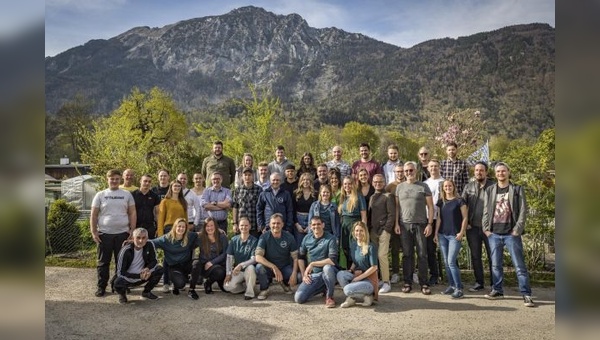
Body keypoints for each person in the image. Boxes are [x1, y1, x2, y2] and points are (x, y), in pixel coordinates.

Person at [482, 162, 535, 307]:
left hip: (511, 234)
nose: (500, 174)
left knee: (519, 266)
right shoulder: (490, 190)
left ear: (508, 172)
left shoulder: (517, 189)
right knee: (495, 265)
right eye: (498, 171)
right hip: (494, 234)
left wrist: (517, 229)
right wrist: (486, 229)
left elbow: (523, 210)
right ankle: (497, 290)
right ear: (495, 173)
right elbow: (486, 211)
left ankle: (526, 294)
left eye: (503, 171)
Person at [90, 169, 136, 297]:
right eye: (112, 179)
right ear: (107, 179)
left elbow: (132, 213)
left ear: (120, 179)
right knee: (103, 262)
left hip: (123, 234)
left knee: (121, 262)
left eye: (117, 179)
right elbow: (93, 215)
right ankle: (101, 287)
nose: (114, 181)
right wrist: (94, 231)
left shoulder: (127, 195)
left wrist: (132, 230)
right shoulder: (100, 195)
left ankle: (119, 285)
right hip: (104, 234)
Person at [395, 161, 434, 295]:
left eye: (411, 170)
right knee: (407, 255)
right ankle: (407, 282)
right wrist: (396, 224)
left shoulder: (423, 186)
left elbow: (430, 207)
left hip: (421, 224)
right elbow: (397, 208)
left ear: (415, 171)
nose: (408, 173)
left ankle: (424, 283)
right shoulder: (399, 187)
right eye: (406, 171)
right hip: (404, 225)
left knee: (422, 254)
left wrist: (429, 224)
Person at [461, 161, 494, 292]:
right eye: (476, 170)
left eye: (481, 170)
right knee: (476, 256)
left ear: (486, 172)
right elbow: (463, 205)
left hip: (490, 228)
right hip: (473, 228)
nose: (478, 172)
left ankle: (494, 284)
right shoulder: (468, 187)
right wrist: (466, 222)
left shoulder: (493, 186)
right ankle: (479, 282)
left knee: (493, 257)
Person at [151, 218, 202, 300]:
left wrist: (218, 230)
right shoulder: (166, 239)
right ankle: (176, 284)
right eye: (179, 226)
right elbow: (151, 242)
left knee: (197, 263)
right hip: (174, 266)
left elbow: (200, 233)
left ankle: (192, 290)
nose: (181, 228)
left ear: (186, 229)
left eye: (183, 227)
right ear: (175, 227)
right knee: (181, 284)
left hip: (186, 264)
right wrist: (134, 240)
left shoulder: (189, 236)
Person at [294, 217, 339, 308]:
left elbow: (332, 260)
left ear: (323, 225)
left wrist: (312, 264)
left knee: (327, 268)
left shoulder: (330, 238)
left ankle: (329, 296)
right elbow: (301, 257)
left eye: (318, 224)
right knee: (299, 298)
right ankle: (323, 287)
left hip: (329, 271)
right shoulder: (307, 238)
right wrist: (304, 275)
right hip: (315, 274)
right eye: (313, 225)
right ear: (310, 226)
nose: (316, 226)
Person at [434, 180, 468, 299]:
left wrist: (462, 232)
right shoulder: (440, 202)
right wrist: (436, 233)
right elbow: (439, 219)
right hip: (443, 234)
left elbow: (465, 218)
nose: (448, 187)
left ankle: (459, 288)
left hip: (455, 235)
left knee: (451, 262)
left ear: (453, 187)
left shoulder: (460, 201)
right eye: (445, 186)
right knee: (446, 263)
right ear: (443, 188)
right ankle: (452, 286)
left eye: (450, 185)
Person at [255, 214, 299, 300]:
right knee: (259, 267)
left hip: (283, 268)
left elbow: (295, 258)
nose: (276, 225)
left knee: (295, 275)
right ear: (270, 224)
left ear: (282, 224)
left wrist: (294, 273)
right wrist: (273, 266)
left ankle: (284, 284)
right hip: (268, 268)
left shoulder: (289, 237)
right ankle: (264, 289)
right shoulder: (264, 237)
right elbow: (258, 257)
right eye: (273, 223)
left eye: (278, 223)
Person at [113, 228, 163, 304]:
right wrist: (139, 276)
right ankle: (122, 295)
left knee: (159, 269)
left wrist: (147, 269)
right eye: (138, 238)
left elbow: (154, 261)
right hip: (129, 278)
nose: (141, 241)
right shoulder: (125, 250)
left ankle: (146, 292)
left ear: (147, 238)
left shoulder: (150, 244)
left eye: (143, 238)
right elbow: (120, 272)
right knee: (117, 282)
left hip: (144, 275)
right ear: (133, 238)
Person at [336, 221, 379, 308]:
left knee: (347, 289)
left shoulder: (371, 246)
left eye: (361, 230)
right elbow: (355, 262)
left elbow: (374, 267)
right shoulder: (353, 244)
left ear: (365, 232)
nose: (358, 233)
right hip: (357, 275)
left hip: (369, 280)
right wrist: (350, 270)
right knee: (340, 274)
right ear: (353, 232)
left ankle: (368, 296)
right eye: (356, 231)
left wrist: (358, 278)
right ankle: (354, 298)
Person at [156, 180, 188, 293]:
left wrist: (186, 232)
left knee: (180, 256)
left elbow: (186, 219)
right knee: (167, 258)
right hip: (168, 230)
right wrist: (160, 235)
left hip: (181, 230)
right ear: (171, 187)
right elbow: (160, 218)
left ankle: (177, 282)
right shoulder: (165, 201)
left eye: (179, 186)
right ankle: (165, 283)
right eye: (175, 186)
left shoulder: (183, 202)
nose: (177, 187)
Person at [368, 174, 396, 294]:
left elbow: (392, 214)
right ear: (372, 183)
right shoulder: (372, 197)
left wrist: (387, 229)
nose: (377, 183)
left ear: (384, 183)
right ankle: (377, 279)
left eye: (380, 182)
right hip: (373, 231)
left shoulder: (388, 196)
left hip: (384, 230)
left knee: (382, 255)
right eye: (375, 181)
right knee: (374, 256)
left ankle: (386, 282)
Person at [224, 217, 258, 300]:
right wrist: (228, 273)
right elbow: (229, 257)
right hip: (237, 271)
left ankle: (249, 293)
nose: (244, 227)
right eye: (242, 225)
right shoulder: (234, 240)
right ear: (238, 227)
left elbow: (254, 259)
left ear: (250, 226)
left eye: (246, 225)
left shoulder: (254, 240)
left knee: (250, 268)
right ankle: (243, 288)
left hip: (248, 270)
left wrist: (241, 265)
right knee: (227, 287)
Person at [338, 176, 367, 269]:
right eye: (345, 184)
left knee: (355, 248)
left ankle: (357, 270)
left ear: (353, 185)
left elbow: (363, 214)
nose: (347, 186)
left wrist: (364, 229)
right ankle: (348, 269)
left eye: (349, 183)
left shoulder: (359, 196)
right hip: (344, 226)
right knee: (345, 248)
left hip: (355, 225)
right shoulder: (342, 197)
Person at [424, 159, 444, 285]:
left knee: (445, 247)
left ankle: (450, 275)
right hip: (428, 217)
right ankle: (434, 274)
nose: (433, 168)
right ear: (428, 168)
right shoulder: (425, 183)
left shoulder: (444, 182)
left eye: (436, 166)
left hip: (443, 217)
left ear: (439, 167)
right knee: (430, 248)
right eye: (431, 166)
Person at [198, 217, 229, 294]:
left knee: (227, 288)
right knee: (219, 272)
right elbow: (188, 235)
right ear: (204, 227)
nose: (210, 228)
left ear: (215, 226)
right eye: (207, 226)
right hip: (205, 266)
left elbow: (225, 253)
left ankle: (219, 281)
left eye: (212, 225)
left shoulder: (222, 237)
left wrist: (212, 262)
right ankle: (208, 283)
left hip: (219, 264)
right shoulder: (201, 238)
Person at [385, 164, 405, 284]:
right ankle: (396, 272)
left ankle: (411, 272)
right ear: (394, 172)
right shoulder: (390, 186)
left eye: (402, 171)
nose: (400, 173)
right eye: (398, 171)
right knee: (395, 248)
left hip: (407, 219)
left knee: (409, 249)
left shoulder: (410, 183)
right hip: (395, 221)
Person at [232, 167, 263, 238]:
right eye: (245, 175)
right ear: (242, 176)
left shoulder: (259, 189)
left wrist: (260, 224)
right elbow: (235, 207)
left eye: (249, 175)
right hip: (241, 226)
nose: (247, 177)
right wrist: (234, 223)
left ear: (253, 176)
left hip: (254, 225)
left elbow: (261, 208)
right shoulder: (238, 190)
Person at [131, 174, 160, 238]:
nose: (147, 183)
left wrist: (158, 228)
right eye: (145, 181)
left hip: (150, 227)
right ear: (140, 181)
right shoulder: (132, 195)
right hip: (135, 226)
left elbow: (157, 213)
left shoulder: (154, 196)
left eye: (149, 182)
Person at [293, 172, 317, 246]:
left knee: (310, 244)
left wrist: (310, 225)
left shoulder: (315, 194)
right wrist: (297, 224)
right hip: (298, 220)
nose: (305, 182)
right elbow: (293, 210)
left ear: (311, 181)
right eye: (303, 180)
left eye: (308, 180)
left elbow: (316, 210)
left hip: (311, 220)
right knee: (299, 245)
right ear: (301, 181)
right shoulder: (296, 193)